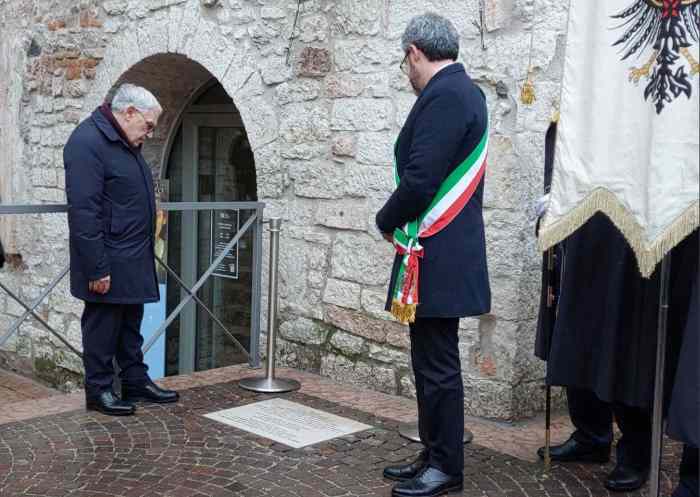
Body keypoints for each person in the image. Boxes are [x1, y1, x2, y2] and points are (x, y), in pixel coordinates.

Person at [375, 12, 490, 497]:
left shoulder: (444, 96)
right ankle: (433, 452)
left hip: (436, 254)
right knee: (428, 362)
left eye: (407, 62)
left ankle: (446, 466)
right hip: (439, 253)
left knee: (438, 366)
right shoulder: (463, 91)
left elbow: (422, 179)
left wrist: (385, 220)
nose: (407, 72)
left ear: (414, 52)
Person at [535, 204, 698, 492]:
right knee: (581, 326)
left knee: (630, 335)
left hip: (642, 215)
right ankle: (591, 434)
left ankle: (637, 451)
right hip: (590, 213)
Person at [64, 83, 179, 416]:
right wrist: (97, 267)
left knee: (130, 323)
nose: (150, 134)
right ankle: (98, 391)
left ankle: (134, 381)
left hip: (130, 254)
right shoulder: (87, 143)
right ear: (128, 113)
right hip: (108, 258)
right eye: (149, 125)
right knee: (102, 326)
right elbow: (84, 212)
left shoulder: (122, 140)